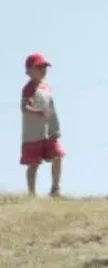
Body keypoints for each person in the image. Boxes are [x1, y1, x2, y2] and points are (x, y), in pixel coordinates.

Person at [20, 53, 65, 197]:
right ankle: (32, 194)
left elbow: (51, 107)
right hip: (34, 133)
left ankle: (55, 189)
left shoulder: (46, 87)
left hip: (49, 130)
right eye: (39, 67)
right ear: (29, 71)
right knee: (34, 164)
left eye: (44, 67)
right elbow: (24, 107)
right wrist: (37, 112)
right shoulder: (29, 89)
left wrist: (55, 126)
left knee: (58, 155)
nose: (43, 70)